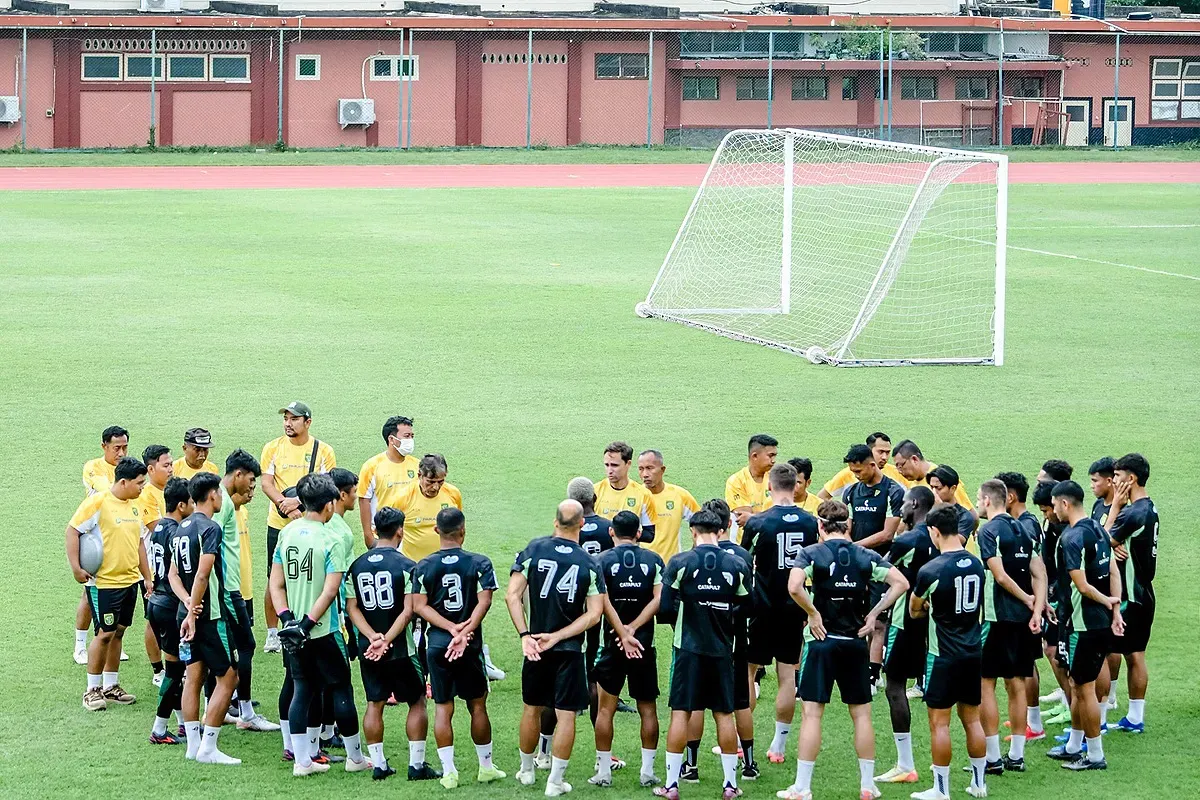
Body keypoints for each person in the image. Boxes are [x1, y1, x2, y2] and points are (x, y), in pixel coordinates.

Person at [777, 500, 907, 800]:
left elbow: (794, 586)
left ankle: (803, 787)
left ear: (820, 526)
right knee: (861, 715)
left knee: (812, 714)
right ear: (847, 525)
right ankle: (867, 785)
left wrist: (812, 613)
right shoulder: (865, 555)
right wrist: (874, 614)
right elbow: (900, 582)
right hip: (855, 645)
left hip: (822, 643)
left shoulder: (811, 553)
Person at [270, 473, 369, 777]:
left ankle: (303, 762)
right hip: (323, 630)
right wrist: (308, 623)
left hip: (293, 632)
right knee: (341, 688)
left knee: (302, 689)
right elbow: (330, 590)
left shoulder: (287, 533)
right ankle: (355, 758)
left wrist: (288, 620)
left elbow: (276, 584)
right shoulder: (332, 538)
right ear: (329, 505)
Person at [508, 500, 606, 797]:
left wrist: (526, 635)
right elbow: (594, 614)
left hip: (535, 645)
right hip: (570, 650)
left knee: (531, 709)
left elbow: (512, 596)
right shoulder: (589, 562)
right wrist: (560, 636)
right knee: (565, 715)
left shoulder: (534, 550)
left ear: (555, 522)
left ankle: (526, 771)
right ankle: (555, 782)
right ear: (582, 525)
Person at [656, 509, 752, 800]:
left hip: (687, 650)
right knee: (724, 714)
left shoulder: (680, 562)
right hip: (722, 650)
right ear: (721, 531)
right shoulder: (737, 564)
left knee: (680, 713)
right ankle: (730, 785)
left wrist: (687, 619)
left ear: (693, 531)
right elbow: (748, 607)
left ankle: (672, 786)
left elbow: (664, 608)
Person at [413, 507, 507, 787]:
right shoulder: (480, 562)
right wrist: (465, 629)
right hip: (469, 645)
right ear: (463, 531)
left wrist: (449, 628)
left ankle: (450, 772)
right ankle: (486, 767)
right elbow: (485, 601)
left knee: (443, 708)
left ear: (435, 531)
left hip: (438, 644)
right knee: (477, 706)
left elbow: (418, 606)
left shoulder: (424, 565)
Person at [346, 507, 435, 781]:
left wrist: (373, 637)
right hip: (402, 649)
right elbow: (409, 610)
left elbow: (352, 608)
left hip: (368, 650)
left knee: (375, 703)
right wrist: (387, 639)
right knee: (417, 701)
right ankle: (417, 765)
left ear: (375, 529)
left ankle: (380, 764)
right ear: (400, 531)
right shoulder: (409, 566)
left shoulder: (357, 565)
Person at [739, 464, 819, 771]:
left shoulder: (759, 522)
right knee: (788, 676)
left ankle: (741, 742)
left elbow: (744, 562)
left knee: (748, 672)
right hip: (794, 607)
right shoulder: (810, 522)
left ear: (770, 486)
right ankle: (779, 744)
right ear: (795, 485)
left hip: (761, 606)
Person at [907, 504, 989, 800]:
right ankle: (979, 784)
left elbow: (914, 610)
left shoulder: (931, 570)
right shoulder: (977, 564)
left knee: (939, 723)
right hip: (972, 652)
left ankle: (941, 790)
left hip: (942, 656)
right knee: (972, 720)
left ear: (934, 531)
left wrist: (928, 607)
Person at [1045, 480, 1123, 771]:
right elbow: (1113, 569)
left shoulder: (1071, 537)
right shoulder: (1098, 529)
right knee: (1079, 686)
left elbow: (1082, 585)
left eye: (1054, 505)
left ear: (1065, 504)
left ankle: (1094, 755)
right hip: (1097, 623)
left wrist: (1106, 602)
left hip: (1082, 625)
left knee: (1084, 688)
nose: (1053, 510)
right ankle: (1074, 745)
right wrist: (1115, 607)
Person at [680, 499, 754, 785]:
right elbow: (750, 601)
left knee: (696, 702)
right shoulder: (742, 557)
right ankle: (748, 765)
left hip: (697, 639)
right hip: (734, 638)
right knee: (738, 702)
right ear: (727, 525)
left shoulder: (693, 557)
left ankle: (691, 765)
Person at [67, 455, 149, 711]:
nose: (142, 487)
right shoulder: (98, 503)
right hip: (104, 583)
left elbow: (139, 544)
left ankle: (110, 686)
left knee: (119, 632)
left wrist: (147, 577)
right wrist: (76, 568)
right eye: (139, 483)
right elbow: (72, 530)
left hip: (130, 580)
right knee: (104, 634)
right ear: (123, 482)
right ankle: (91, 690)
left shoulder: (136, 506)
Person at [975, 479, 1045, 775]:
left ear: (988, 501)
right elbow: (1039, 572)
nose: (978, 504)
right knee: (1016, 684)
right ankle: (1016, 755)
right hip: (1023, 621)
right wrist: (1037, 608)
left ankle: (992, 758)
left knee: (985, 684)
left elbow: (1001, 577)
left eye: (979, 499)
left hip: (995, 619)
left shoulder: (988, 531)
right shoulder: (1023, 528)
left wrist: (1028, 598)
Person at [590, 510, 664, 788]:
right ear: (639, 534)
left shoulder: (601, 561)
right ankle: (647, 772)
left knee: (606, 709)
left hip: (612, 644)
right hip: (643, 645)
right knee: (647, 708)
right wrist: (634, 628)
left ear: (611, 532)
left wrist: (622, 631)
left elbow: (601, 601)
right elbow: (659, 598)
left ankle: (604, 772)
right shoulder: (654, 560)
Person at [172, 472, 240, 764]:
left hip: (185, 613)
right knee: (229, 677)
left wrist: (186, 603)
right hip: (208, 616)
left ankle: (193, 745)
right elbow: (203, 573)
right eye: (220, 494)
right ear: (212, 495)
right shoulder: (210, 528)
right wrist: (194, 609)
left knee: (194, 677)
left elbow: (173, 574)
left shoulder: (180, 529)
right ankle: (209, 748)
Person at [261, 402, 337, 654]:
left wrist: (298, 504)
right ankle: (274, 632)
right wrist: (287, 506)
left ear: (308, 422)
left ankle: (306, 622)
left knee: (309, 576)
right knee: (274, 577)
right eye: (286, 418)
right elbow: (267, 484)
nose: (288, 423)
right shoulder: (272, 448)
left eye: (294, 418)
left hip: (310, 522)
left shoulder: (323, 450)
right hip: (279, 523)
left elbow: (326, 483)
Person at [877, 486, 937, 785]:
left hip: (905, 622)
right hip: (937, 623)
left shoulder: (909, 540)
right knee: (939, 693)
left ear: (914, 504)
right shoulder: (944, 538)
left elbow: (884, 573)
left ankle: (905, 763)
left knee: (894, 687)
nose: (900, 508)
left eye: (903, 504)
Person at [214, 449, 278, 732]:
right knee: (245, 646)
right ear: (238, 475)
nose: (253, 486)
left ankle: (223, 707)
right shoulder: (222, 504)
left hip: (227, 588)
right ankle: (245, 712)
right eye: (251, 480)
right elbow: (210, 548)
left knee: (223, 650)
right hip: (226, 590)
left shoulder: (221, 498)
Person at [840, 443, 905, 688]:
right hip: (856, 564)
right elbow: (847, 525)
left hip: (882, 563)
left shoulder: (893, 492)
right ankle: (858, 665)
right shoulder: (851, 492)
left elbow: (888, 534)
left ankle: (873, 673)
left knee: (878, 622)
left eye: (859, 471)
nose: (856, 475)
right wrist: (850, 548)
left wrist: (854, 547)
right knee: (857, 616)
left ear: (873, 464)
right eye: (853, 471)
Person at [994, 471, 1050, 743]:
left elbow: (1032, 568)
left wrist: (1036, 603)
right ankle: (1028, 717)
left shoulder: (1023, 527)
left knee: (1024, 667)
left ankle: (1034, 723)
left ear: (1011, 497)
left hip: (1024, 605)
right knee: (1025, 665)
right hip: (1028, 602)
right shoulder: (1024, 522)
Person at [1104, 453, 1158, 734]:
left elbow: (1095, 545)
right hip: (1145, 594)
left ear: (1131, 479)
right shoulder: (1150, 508)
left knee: (1102, 653)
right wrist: (1116, 545)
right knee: (1136, 655)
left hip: (1127, 597)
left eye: (1118, 475)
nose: (1114, 480)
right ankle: (1135, 718)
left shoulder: (1131, 512)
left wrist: (1114, 508)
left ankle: (1097, 719)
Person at [74, 425, 130, 664]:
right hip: (94, 541)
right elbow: (106, 489)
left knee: (120, 592)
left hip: (118, 538)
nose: (121, 453)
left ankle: (114, 644)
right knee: (90, 594)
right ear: (104, 446)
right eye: (117, 448)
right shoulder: (92, 467)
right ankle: (80, 646)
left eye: (125, 447)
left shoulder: (127, 469)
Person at [145, 477, 192, 744]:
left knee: (174, 667)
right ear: (182, 505)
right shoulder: (177, 533)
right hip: (170, 604)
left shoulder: (160, 527)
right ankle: (159, 729)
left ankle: (183, 723)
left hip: (156, 602)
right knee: (175, 671)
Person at [1030, 480, 1072, 719]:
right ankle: (1068, 705)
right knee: (1052, 651)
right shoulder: (1053, 527)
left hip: (1063, 602)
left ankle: (1073, 710)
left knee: (1056, 652)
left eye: (1047, 509)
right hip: (1055, 598)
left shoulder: (1068, 531)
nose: (1047, 514)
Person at [357, 415, 420, 550]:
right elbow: (364, 501)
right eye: (407, 436)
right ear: (391, 439)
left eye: (412, 436)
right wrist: (368, 536)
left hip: (412, 536)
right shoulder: (372, 466)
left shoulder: (418, 466)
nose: (410, 440)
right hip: (385, 537)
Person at [139, 444, 174, 685]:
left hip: (175, 568)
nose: (171, 468)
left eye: (171, 464)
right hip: (154, 568)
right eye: (166, 465)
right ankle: (157, 671)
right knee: (153, 620)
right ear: (151, 469)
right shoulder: (146, 495)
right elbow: (158, 529)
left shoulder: (171, 489)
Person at [396, 454, 463, 562]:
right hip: (414, 566)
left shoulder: (453, 494)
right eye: (430, 482)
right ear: (419, 475)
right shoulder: (402, 498)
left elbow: (458, 528)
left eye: (440, 481)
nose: (435, 487)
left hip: (444, 566)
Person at [891, 440, 977, 522]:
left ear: (914, 459)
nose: (899, 471)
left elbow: (972, 516)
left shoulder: (943, 479)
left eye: (901, 466)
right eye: (897, 467)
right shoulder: (912, 481)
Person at [638, 449, 699, 563]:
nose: (645, 474)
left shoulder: (680, 495)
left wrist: (693, 553)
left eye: (650, 468)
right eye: (641, 469)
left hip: (672, 567)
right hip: (643, 569)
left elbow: (703, 525)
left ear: (662, 470)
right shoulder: (635, 497)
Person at [595, 442, 656, 541]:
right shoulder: (595, 491)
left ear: (628, 464)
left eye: (614, 465)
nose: (609, 470)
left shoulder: (643, 494)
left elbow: (649, 535)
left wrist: (623, 535)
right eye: (607, 465)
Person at [818, 432, 907, 501]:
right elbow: (821, 497)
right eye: (880, 452)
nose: (884, 457)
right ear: (869, 450)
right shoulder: (848, 474)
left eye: (887, 452)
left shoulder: (898, 473)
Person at [726, 434, 777, 529]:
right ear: (755, 456)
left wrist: (753, 516)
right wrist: (773, 516)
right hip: (741, 542)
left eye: (775, 456)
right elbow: (745, 519)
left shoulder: (776, 478)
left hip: (769, 540)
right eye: (770, 456)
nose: (773, 461)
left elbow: (750, 517)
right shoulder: (736, 481)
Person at [925, 466, 979, 545]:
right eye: (931, 487)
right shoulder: (924, 509)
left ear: (953, 488)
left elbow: (955, 543)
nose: (934, 492)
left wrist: (941, 509)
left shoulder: (964, 516)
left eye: (938, 488)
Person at [1088, 457, 1116, 526]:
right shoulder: (1098, 503)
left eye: (1095, 481)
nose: (1091, 486)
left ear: (1109, 481)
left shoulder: (1121, 511)